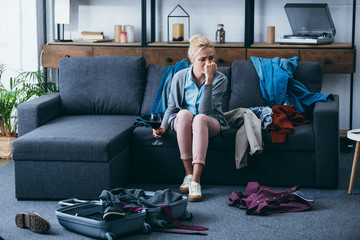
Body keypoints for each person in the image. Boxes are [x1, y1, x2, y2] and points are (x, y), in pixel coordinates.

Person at [153, 34, 229, 202]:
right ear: (192, 58)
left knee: (200, 118)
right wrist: (164, 127)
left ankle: (195, 181)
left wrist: (209, 80)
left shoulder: (220, 79)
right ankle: (187, 173)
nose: (208, 63)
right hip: (184, 121)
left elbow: (205, 110)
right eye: (203, 59)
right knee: (183, 113)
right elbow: (172, 106)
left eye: (211, 58)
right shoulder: (180, 77)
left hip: (211, 121)